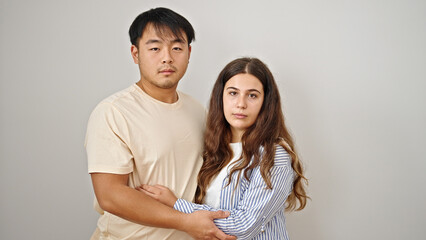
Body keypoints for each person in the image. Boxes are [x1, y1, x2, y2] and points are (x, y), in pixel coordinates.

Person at [85, 7, 235, 240]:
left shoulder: (197, 110)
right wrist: (186, 222)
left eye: (177, 48)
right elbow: (110, 195)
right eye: (155, 48)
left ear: (189, 52)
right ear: (135, 54)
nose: (167, 57)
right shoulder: (113, 112)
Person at [138, 57, 309, 239]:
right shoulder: (213, 150)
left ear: (266, 103)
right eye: (233, 93)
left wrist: (176, 204)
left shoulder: (273, 156)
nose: (240, 104)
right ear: (221, 97)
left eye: (252, 95)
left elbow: (243, 226)